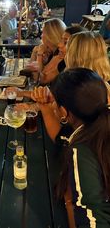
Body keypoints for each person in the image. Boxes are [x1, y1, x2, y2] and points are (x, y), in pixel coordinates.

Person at [39, 68, 110, 227]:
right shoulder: (97, 125)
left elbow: (92, 219)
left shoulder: (81, 151)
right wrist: (45, 107)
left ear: (63, 111)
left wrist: (69, 203)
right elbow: (63, 138)